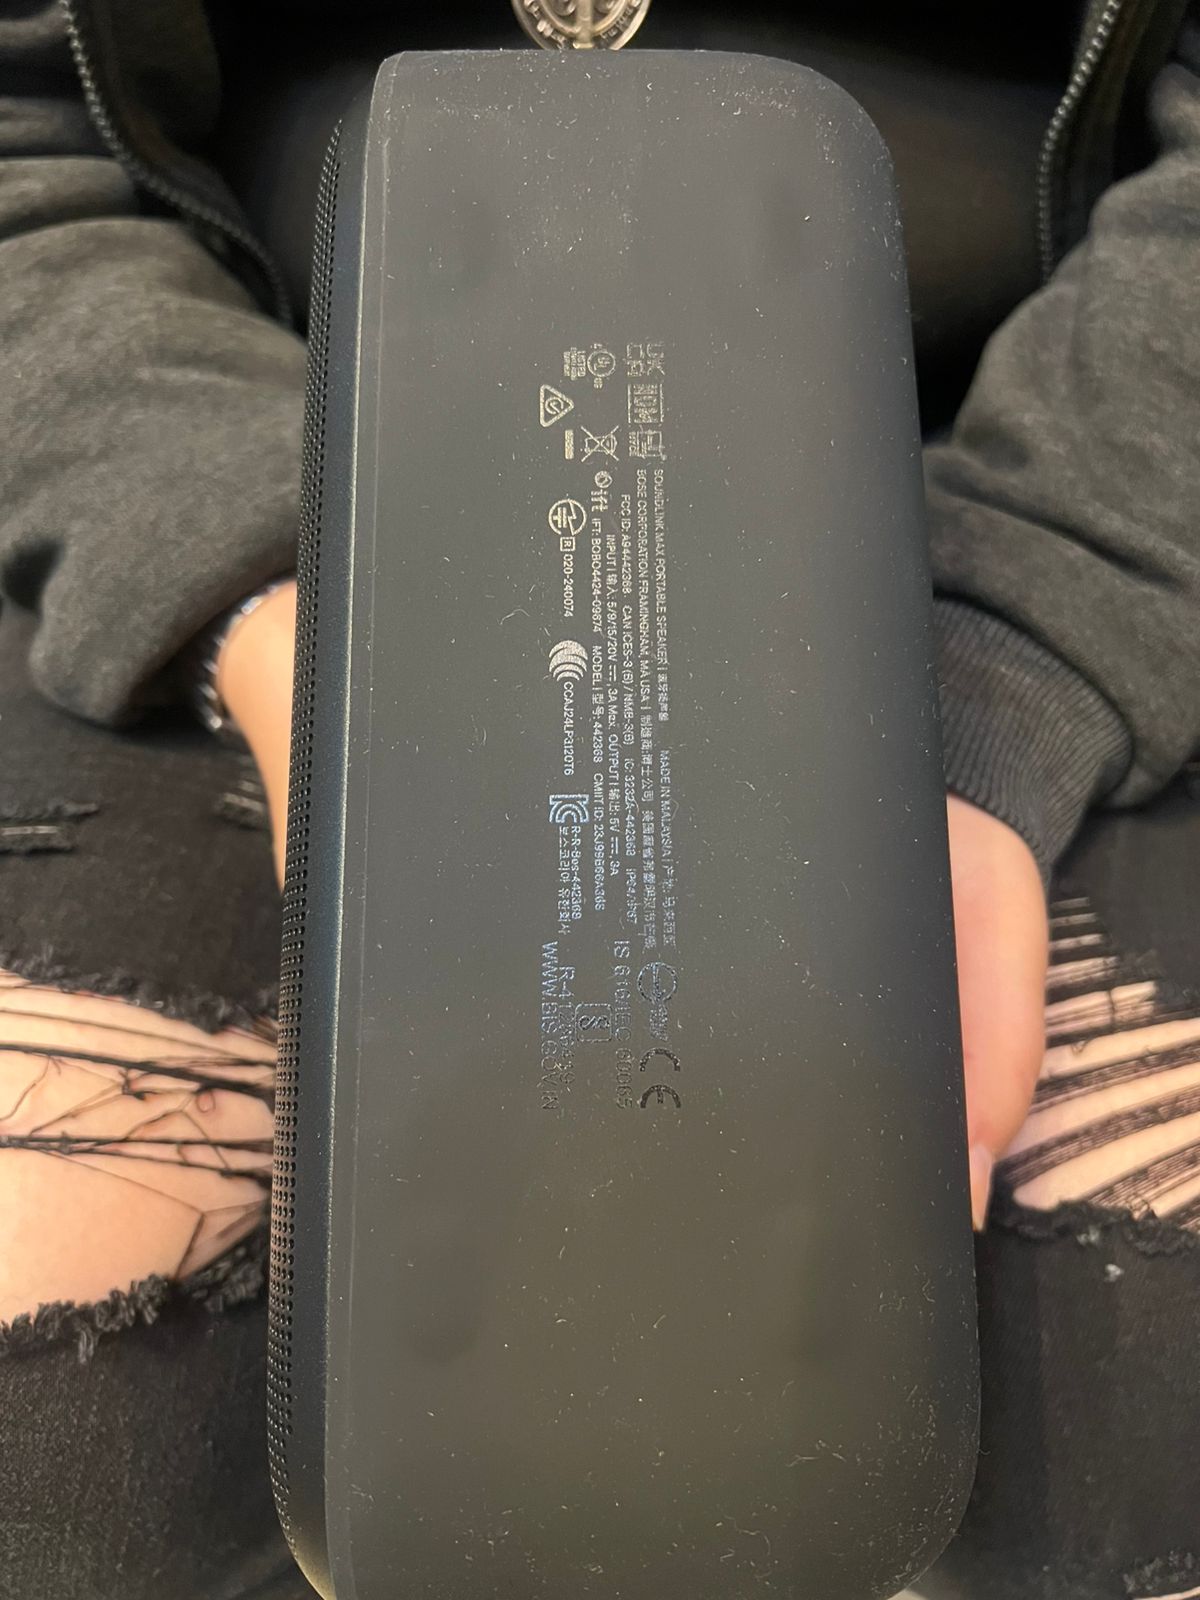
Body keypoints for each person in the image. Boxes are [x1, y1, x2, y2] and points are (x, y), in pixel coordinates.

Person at [0, 2, 1197, 1596]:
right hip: (250, 442)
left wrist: (1009, 671)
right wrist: (306, 619)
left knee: (1122, 1471)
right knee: (63, 1436)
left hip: (1034, 487)